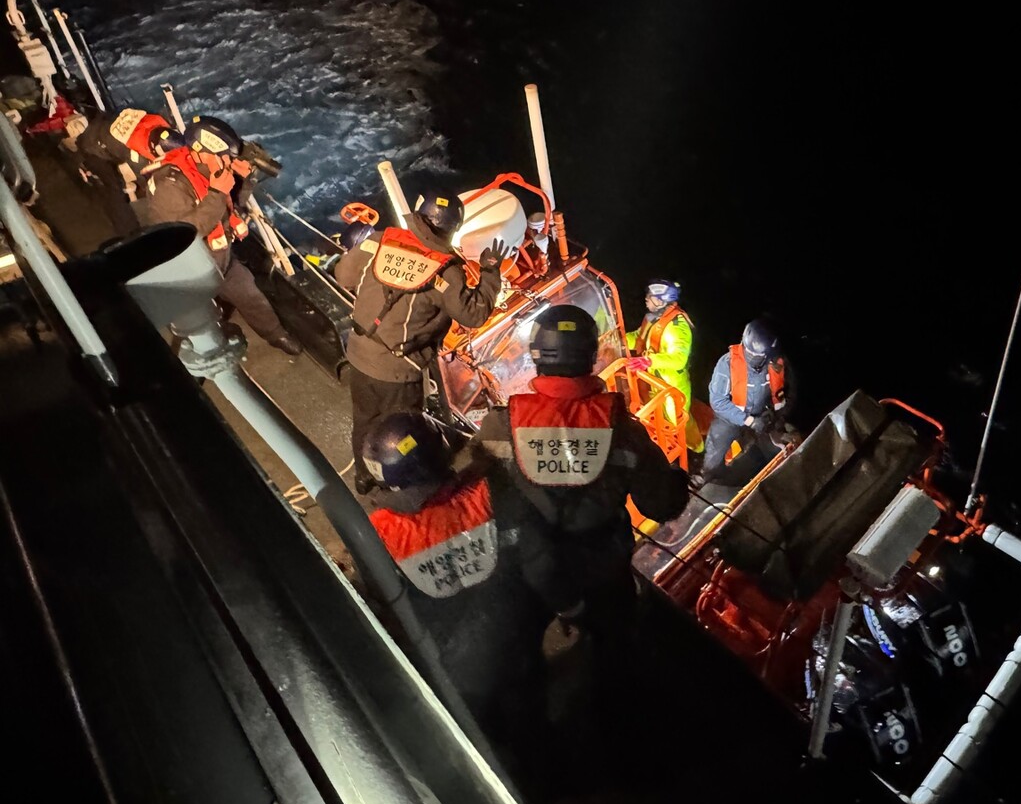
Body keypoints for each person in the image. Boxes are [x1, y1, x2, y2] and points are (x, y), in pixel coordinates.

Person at [449, 303, 688, 638]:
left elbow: (461, 485)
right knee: (616, 638)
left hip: (533, 568)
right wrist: (677, 480)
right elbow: (660, 504)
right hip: (604, 568)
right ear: (591, 357)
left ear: (536, 356)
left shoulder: (502, 425)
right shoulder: (623, 430)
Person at [360, 409, 549, 754]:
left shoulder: (378, 533)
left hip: (453, 669)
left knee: (487, 741)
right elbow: (535, 556)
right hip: (512, 640)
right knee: (531, 723)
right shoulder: (487, 492)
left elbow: (381, 609)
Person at [334, 173, 509, 495]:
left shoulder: (380, 239)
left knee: (365, 419)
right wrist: (489, 275)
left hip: (358, 352)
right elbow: (472, 314)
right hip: (398, 371)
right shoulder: (445, 269)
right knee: (404, 434)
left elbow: (343, 275)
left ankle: (364, 476)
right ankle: (407, 490)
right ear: (452, 228)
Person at [136, 114, 302, 356]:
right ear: (201, 152)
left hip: (220, 257)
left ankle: (276, 334)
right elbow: (187, 233)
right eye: (222, 156)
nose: (227, 161)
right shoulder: (169, 186)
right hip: (190, 270)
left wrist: (245, 180)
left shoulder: (209, 171)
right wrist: (217, 192)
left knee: (249, 293)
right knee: (198, 319)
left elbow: (233, 207)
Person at [697, 316, 797, 487]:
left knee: (777, 444)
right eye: (750, 352)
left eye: (758, 355)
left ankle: (775, 471)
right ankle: (711, 479)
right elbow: (718, 401)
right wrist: (749, 421)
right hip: (730, 418)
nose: (752, 357)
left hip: (764, 414)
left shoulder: (777, 363)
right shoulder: (727, 364)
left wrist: (776, 419)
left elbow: (790, 392)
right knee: (716, 447)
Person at [70, 105, 182, 236]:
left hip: (103, 128)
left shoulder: (158, 123)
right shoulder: (136, 155)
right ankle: (131, 234)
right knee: (114, 191)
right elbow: (150, 184)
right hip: (92, 148)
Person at [623, 278, 704, 456]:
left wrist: (649, 361)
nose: (646, 298)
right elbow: (639, 337)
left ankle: (697, 449)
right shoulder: (652, 318)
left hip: (672, 384)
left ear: (661, 302)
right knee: (658, 416)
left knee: (679, 420)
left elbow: (678, 359)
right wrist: (619, 341)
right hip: (654, 380)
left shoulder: (678, 328)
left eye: (651, 297)